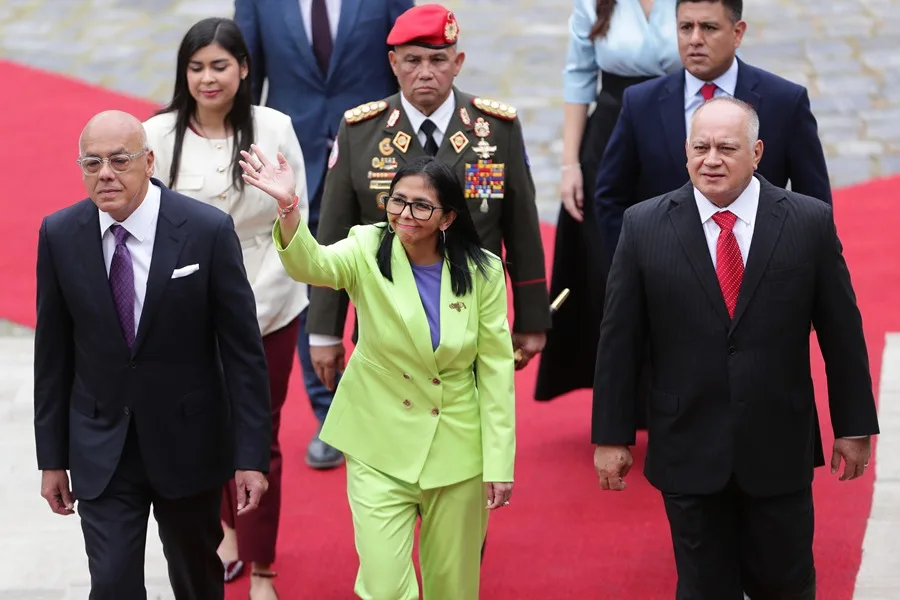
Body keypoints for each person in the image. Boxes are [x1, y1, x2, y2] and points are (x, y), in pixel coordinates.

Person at [591, 97, 879, 599]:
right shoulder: (644, 226)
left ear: (757, 152)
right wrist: (612, 436)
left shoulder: (807, 222)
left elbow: (842, 334)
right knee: (703, 587)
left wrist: (853, 426)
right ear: (686, 151)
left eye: (726, 148)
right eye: (700, 147)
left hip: (779, 444)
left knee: (785, 584)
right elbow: (620, 341)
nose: (711, 160)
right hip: (687, 445)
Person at [243, 146, 515, 599]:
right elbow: (312, 265)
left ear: (447, 218)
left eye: (421, 206)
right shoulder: (366, 247)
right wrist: (288, 207)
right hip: (378, 442)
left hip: (458, 448)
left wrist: (499, 462)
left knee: (453, 587)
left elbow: (495, 372)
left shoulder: (483, 271)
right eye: (397, 201)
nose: (405, 214)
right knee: (384, 587)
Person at [34, 110, 272, 600]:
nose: (105, 174)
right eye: (92, 163)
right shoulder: (60, 234)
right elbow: (52, 356)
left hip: (188, 444)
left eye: (119, 160)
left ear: (149, 161)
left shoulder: (206, 230)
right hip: (102, 445)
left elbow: (243, 354)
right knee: (112, 583)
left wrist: (251, 456)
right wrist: (51, 459)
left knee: (195, 578)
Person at [306, 4, 550, 406]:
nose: (425, 72)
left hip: (472, 321)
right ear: (393, 63)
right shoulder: (361, 132)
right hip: (387, 323)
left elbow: (522, 228)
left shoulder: (496, 130)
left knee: (471, 430)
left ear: (458, 63)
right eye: (412, 60)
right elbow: (333, 236)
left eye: (438, 60)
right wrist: (324, 331)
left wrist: (532, 318)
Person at [142, 17, 308, 598]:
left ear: (243, 68)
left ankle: (263, 566)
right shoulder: (157, 135)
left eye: (219, 65)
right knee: (202, 428)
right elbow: (148, 229)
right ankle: (224, 533)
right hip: (184, 309)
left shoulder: (274, 127)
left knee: (260, 435)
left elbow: (293, 216)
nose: (207, 78)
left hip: (271, 300)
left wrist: (244, 313)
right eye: (196, 67)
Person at [235, 0, 413, 470]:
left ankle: (397, 405)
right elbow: (246, 78)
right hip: (296, 164)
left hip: (382, 163)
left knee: (392, 282)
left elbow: (410, 56)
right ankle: (331, 413)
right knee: (310, 283)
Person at [594, 0, 833, 263]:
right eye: (686, 27)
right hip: (667, 273)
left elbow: (814, 202)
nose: (695, 39)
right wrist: (638, 264)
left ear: (737, 32)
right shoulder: (641, 103)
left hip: (759, 271)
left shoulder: (785, 102)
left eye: (708, 27)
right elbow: (610, 197)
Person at [535, 0, 680, 402]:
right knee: (608, 266)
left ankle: (679, 392)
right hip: (612, 138)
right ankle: (621, 395)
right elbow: (579, 75)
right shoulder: (591, 2)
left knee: (678, 263)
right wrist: (570, 164)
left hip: (682, 130)